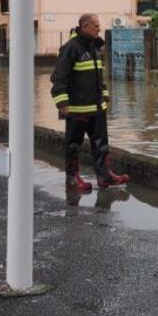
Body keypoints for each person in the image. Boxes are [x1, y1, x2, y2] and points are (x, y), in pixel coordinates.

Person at [50, 13, 129, 193]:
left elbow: (99, 78)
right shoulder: (71, 48)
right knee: (73, 145)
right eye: (95, 26)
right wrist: (62, 104)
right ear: (85, 26)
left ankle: (105, 177)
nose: (99, 29)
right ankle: (72, 179)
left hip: (97, 109)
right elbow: (58, 78)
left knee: (101, 145)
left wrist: (105, 97)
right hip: (77, 110)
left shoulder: (94, 48)